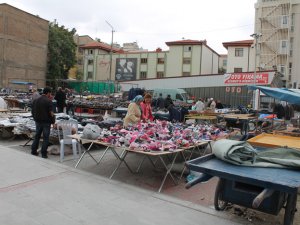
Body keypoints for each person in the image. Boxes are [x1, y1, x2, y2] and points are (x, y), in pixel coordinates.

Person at [31, 87, 55, 158]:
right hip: (46, 122)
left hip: (38, 121)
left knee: (37, 136)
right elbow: (51, 113)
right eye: (50, 93)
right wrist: (53, 121)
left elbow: (32, 111)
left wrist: (35, 118)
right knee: (46, 138)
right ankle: (44, 154)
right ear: (48, 93)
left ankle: (33, 151)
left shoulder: (36, 100)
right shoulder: (48, 101)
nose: (50, 95)